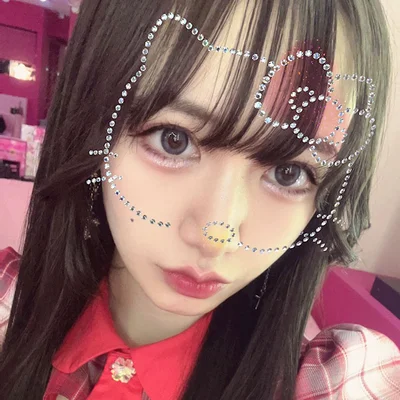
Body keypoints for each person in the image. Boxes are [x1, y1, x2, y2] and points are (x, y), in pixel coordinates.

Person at [1, 0, 399, 399]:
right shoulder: (8, 306)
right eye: (173, 140)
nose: (216, 234)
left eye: (288, 172)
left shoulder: (332, 382)